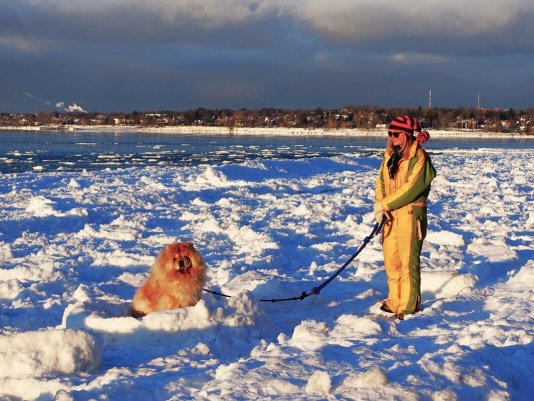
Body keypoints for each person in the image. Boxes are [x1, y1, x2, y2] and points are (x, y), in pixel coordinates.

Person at [374, 115, 436, 320]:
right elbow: (381, 183)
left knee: (408, 262)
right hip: (391, 216)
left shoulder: (419, 158)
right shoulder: (389, 156)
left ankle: (408, 306)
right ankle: (395, 300)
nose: (392, 138)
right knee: (392, 260)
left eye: (396, 134)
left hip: (410, 215)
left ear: (407, 135)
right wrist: (380, 207)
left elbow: (412, 188)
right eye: (390, 134)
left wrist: (385, 204)